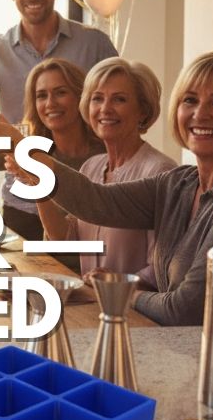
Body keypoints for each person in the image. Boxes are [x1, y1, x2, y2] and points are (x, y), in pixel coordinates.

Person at [7, 51, 213, 326]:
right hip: (177, 345)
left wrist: (119, 292)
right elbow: (96, 201)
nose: (200, 113)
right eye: (190, 100)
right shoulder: (179, 184)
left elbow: (185, 310)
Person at [48, 57, 176, 276]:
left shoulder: (161, 172)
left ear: (143, 110)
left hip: (133, 299)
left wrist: (116, 281)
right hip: (92, 296)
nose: (105, 109)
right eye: (97, 98)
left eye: (119, 99)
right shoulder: (91, 167)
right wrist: (37, 184)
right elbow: (64, 238)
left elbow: (164, 266)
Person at [0, 58, 101, 240]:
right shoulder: (36, 149)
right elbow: (58, 236)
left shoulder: (103, 156)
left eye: (60, 92)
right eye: (41, 96)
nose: (50, 103)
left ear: (81, 96)